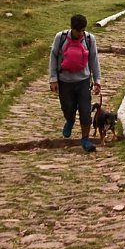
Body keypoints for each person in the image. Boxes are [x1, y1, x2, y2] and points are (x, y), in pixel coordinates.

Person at [49, 14, 102, 152]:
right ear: (72, 28)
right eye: (78, 31)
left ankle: (85, 139)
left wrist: (97, 81)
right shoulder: (60, 38)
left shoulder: (90, 40)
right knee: (68, 107)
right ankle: (70, 120)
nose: (81, 33)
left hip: (83, 81)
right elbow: (53, 57)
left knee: (85, 111)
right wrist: (53, 79)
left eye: (83, 30)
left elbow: (94, 60)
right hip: (65, 81)